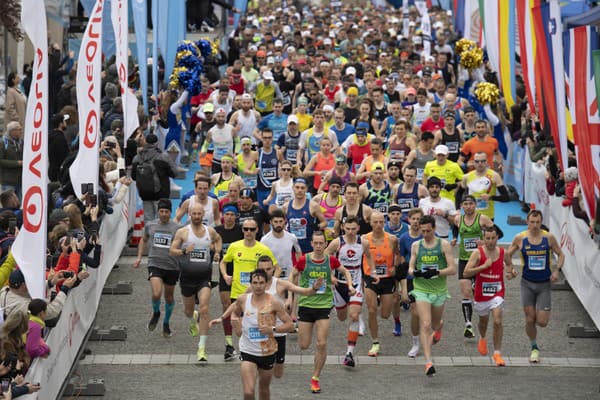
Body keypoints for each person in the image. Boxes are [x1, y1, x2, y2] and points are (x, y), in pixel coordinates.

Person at [209, 269, 293, 400]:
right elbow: (235, 310)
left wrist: (273, 329)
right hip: (248, 351)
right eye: (255, 282)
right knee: (248, 391)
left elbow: (290, 325)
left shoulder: (274, 302)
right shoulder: (243, 299)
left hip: (267, 352)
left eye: (261, 283)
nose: (258, 286)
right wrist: (225, 319)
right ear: (250, 284)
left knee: (263, 389)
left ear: (266, 284)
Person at [290, 231, 355, 394]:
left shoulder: (330, 260)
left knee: (322, 343)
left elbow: (345, 271)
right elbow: (293, 274)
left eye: (321, 243)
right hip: (306, 304)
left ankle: (316, 377)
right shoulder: (304, 260)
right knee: (304, 345)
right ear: (311, 244)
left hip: (324, 305)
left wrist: (350, 285)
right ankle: (314, 356)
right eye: (316, 243)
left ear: (326, 244)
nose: (319, 246)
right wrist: (291, 295)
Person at [506, 210, 564, 363]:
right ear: (527, 222)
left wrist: (557, 271)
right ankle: (534, 348)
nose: (535, 225)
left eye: (538, 222)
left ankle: (534, 329)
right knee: (530, 319)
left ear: (541, 221)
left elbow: (561, 254)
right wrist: (510, 269)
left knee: (542, 322)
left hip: (544, 284)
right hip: (527, 284)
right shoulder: (520, 238)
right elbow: (507, 254)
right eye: (532, 222)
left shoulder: (548, 237)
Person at [170, 203, 222, 362]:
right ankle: (193, 318)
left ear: (203, 215)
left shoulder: (209, 231)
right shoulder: (183, 232)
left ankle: (201, 348)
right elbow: (172, 251)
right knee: (188, 310)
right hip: (187, 277)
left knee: (205, 309)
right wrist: (184, 251)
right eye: (194, 214)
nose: (197, 216)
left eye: (200, 214)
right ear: (190, 215)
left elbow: (218, 239)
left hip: (204, 278)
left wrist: (217, 252)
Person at [408, 215, 457, 376]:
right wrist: (415, 272)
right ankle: (428, 362)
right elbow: (410, 268)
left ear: (434, 229)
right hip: (421, 289)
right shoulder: (416, 245)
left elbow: (452, 269)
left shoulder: (443, 245)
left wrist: (436, 272)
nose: (426, 234)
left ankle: (440, 326)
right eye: (423, 231)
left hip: (439, 291)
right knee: (426, 324)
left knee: (434, 325)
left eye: (429, 231)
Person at [325, 216, 374, 367]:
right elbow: (325, 258)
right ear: (343, 228)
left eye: (354, 229)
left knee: (353, 315)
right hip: (339, 285)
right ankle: (345, 308)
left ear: (358, 228)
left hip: (356, 284)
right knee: (341, 317)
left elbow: (369, 257)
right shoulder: (337, 243)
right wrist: (331, 275)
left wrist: (372, 272)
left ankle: (349, 354)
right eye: (348, 229)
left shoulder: (363, 243)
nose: (351, 232)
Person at [133, 199, 181, 337]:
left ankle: (166, 323)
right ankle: (156, 312)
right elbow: (144, 239)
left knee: (169, 297)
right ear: (158, 212)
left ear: (170, 212)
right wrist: (139, 257)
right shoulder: (150, 225)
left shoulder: (177, 228)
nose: (164, 214)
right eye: (161, 211)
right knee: (156, 293)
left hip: (172, 266)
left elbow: (182, 245)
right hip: (155, 263)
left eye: (166, 211)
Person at [463, 226, 510, 366]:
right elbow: (466, 272)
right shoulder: (477, 253)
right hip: (481, 294)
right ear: (484, 239)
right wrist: (483, 267)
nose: (490, 241)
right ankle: (482, 338)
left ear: (497, 238)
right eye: (487, 238)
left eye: (493, 238)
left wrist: (511, 272)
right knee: (483, 322)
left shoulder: (503, 252)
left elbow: (510, 266)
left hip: (498, 292)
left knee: (497, 321)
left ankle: (497, 353)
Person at [451, 195, 494, 339]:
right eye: (465, 204)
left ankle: (483, 315)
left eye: (470, 204)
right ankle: (468, 324)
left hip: (479, 260)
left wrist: (484, 241)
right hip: (464, 260)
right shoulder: (458, 219)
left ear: (475, 205)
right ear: (462, 206)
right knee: (466, 292)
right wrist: (455, 237)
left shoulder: (482, 219)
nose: (468, 206)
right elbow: (455, 227)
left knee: (478, 293)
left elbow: (497, 233)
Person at [362, 211, 399, 357]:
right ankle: (375, 342)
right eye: (375, 222)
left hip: (387, 279)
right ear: (370, 223)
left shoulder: (392, 239)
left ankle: (383, 305)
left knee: (384, 315)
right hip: (370, 278)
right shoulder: (364, 239)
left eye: (381, 222)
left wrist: (394, 266)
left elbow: (397, 254)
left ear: (384, 223)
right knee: (371, 311)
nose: (378, 225)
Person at [221, 218, 278, 305]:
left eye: (252, 229)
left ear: (257, 230)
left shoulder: (264, 249)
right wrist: (225, 276)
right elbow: (223, 262)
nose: (249, 232)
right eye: (246, 229)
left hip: (256, 293)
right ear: (242, 230)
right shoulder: (234, 246)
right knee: (236, 317)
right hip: (237, 293)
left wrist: (270, 285)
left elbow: (277, 268)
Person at [215, 203, 244, 360]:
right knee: (226, 307)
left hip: (241, 273)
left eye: (232, 214)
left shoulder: (241, 231)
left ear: (236, 216)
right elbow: (212, 247)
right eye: (227, 214)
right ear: (223, 215)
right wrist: (215, 254)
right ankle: (228, 345)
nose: (229, 217)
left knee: (242, 309)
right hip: (225, 273)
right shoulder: (217, 231)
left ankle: (244, 345)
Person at [132, 133, 178, 223]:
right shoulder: (163, 157)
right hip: (161, 193)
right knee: (161, 219)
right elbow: (174, 173)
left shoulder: (137, 158)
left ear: (145, 142)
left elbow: (134, 176)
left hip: (144, 193)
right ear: (157, 143)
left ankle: (149, 236)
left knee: (148, 219)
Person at [398, 208, 424, 357]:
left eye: (418, 219)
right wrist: (403, 288)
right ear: (409, 220)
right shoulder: (404, 238)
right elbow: (402, 263)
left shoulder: (430, 236)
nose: (416, 222)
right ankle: (415, 343)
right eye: (413, 219)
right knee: (415, 312)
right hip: (411, 279)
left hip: (428, 279)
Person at [456, 152, 510, 220]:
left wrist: (491, 197)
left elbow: (506, 198)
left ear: (486, 162)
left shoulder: (494, 176)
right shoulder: (467, 177)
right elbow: (458, 194)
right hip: (470, 216)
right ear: (473, 162)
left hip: (487, 217)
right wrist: (457, 210)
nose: (480, 163)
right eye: (477, 161)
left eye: (482, 161)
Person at [283, 178, 327, 254]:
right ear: (293, 188)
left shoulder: (313, 205)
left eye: (302, 188)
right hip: (292, 247)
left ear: (306, 189)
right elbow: (282, 224)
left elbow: (324, 223)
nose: (299, 190)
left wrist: (317, 226)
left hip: (308, 247)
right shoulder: (286, 206)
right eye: (297, 187)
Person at [260, 209, 301, 281]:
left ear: (285, 222)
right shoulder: (264, 240)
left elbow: (298, 252)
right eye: (275, 222)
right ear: (270, 222)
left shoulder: (292, 237)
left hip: (289, 277)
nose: (278, 224)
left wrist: (297, 269)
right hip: (273, 278)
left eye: (280, 221)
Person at [311, 176, 345, 242]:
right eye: (333, 186)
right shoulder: (318, 198)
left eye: (338, 187)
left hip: (335, 234)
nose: (335, 189)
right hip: (320, 233)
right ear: (329, 187)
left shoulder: (343, 202)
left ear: (340, 189)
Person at [0, 122, 23, 198]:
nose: (21, 131)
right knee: (10, 205)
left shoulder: (21, 142)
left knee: (20, 205)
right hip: (8, 181)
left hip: (20, 181)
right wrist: (17, 163)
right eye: (19, 129)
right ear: (12, 131)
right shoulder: (3, 143)